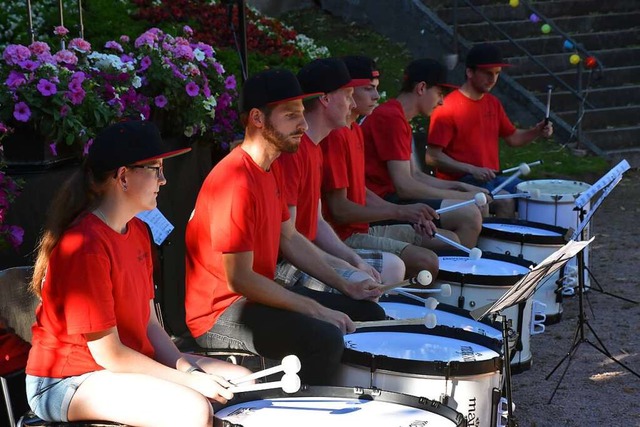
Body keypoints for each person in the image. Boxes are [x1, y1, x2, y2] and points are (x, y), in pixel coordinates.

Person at [25, 121, 248, 427]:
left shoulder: (140, 230)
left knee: (243, 383)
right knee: (192, 410)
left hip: (117, 365)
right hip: (66, 380)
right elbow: (110, 355)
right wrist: (191, 383)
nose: (164, 179)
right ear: (123, 176)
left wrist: (189, 371)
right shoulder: (85, 247)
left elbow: (149, 323)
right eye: (155, 169)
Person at [185, 69, 386, 387]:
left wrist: (344, 283)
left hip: (255, 296)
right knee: (325, 338)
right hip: (220, 314)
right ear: (257, 119)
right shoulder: (234, 180)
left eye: (303, 114)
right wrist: (315, 308)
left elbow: (289, 237)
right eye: (291, 116)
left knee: (370, 313)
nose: (304, 125)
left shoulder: (269, 168)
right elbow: (240, 279)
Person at [321, 55, 457, 279]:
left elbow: (360, 191)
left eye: (376, 89)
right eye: (368, 89)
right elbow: (340, 211)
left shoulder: (353, 129)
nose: (376, 96)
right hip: (342, 236)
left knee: (452, 242)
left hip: (361, 226)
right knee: (427, 261)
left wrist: (409, 214)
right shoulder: (336, 135)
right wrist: (400, 211)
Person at [276, 57, 406, 290]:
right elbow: (289, 240)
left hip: (308, 253)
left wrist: (353, 259)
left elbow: (316, 222)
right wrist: (343, 268)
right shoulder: (294, 151)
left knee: (391, 269)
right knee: (365, 284)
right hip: (285, 266)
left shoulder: (314, 148)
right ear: (325, 99)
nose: (351, 103)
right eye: (347, 96)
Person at [361, 58, 484, 248]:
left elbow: (416, 175)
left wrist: (458, 187)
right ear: (421, 88)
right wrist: (466, 197)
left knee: (470, 210)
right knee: (469, 214)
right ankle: (459, 273)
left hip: (390, 199)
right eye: (439, 93)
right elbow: (405, 187)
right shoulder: (390, 118)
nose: (442, 101)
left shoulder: (398, 117)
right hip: (379, 205)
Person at [426, 43, 554, 217]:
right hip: (460, 182)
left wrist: (537, 131)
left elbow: (513, 138)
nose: (493, 79)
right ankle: (500, 244)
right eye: (488, 73)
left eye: (497, 73)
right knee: (505, 200)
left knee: (534, 194)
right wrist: (471, 169)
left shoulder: (493, 103)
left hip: (492, 178)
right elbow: (432, 157)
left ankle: (531, 241)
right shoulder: (447, 108)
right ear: (470, 72)